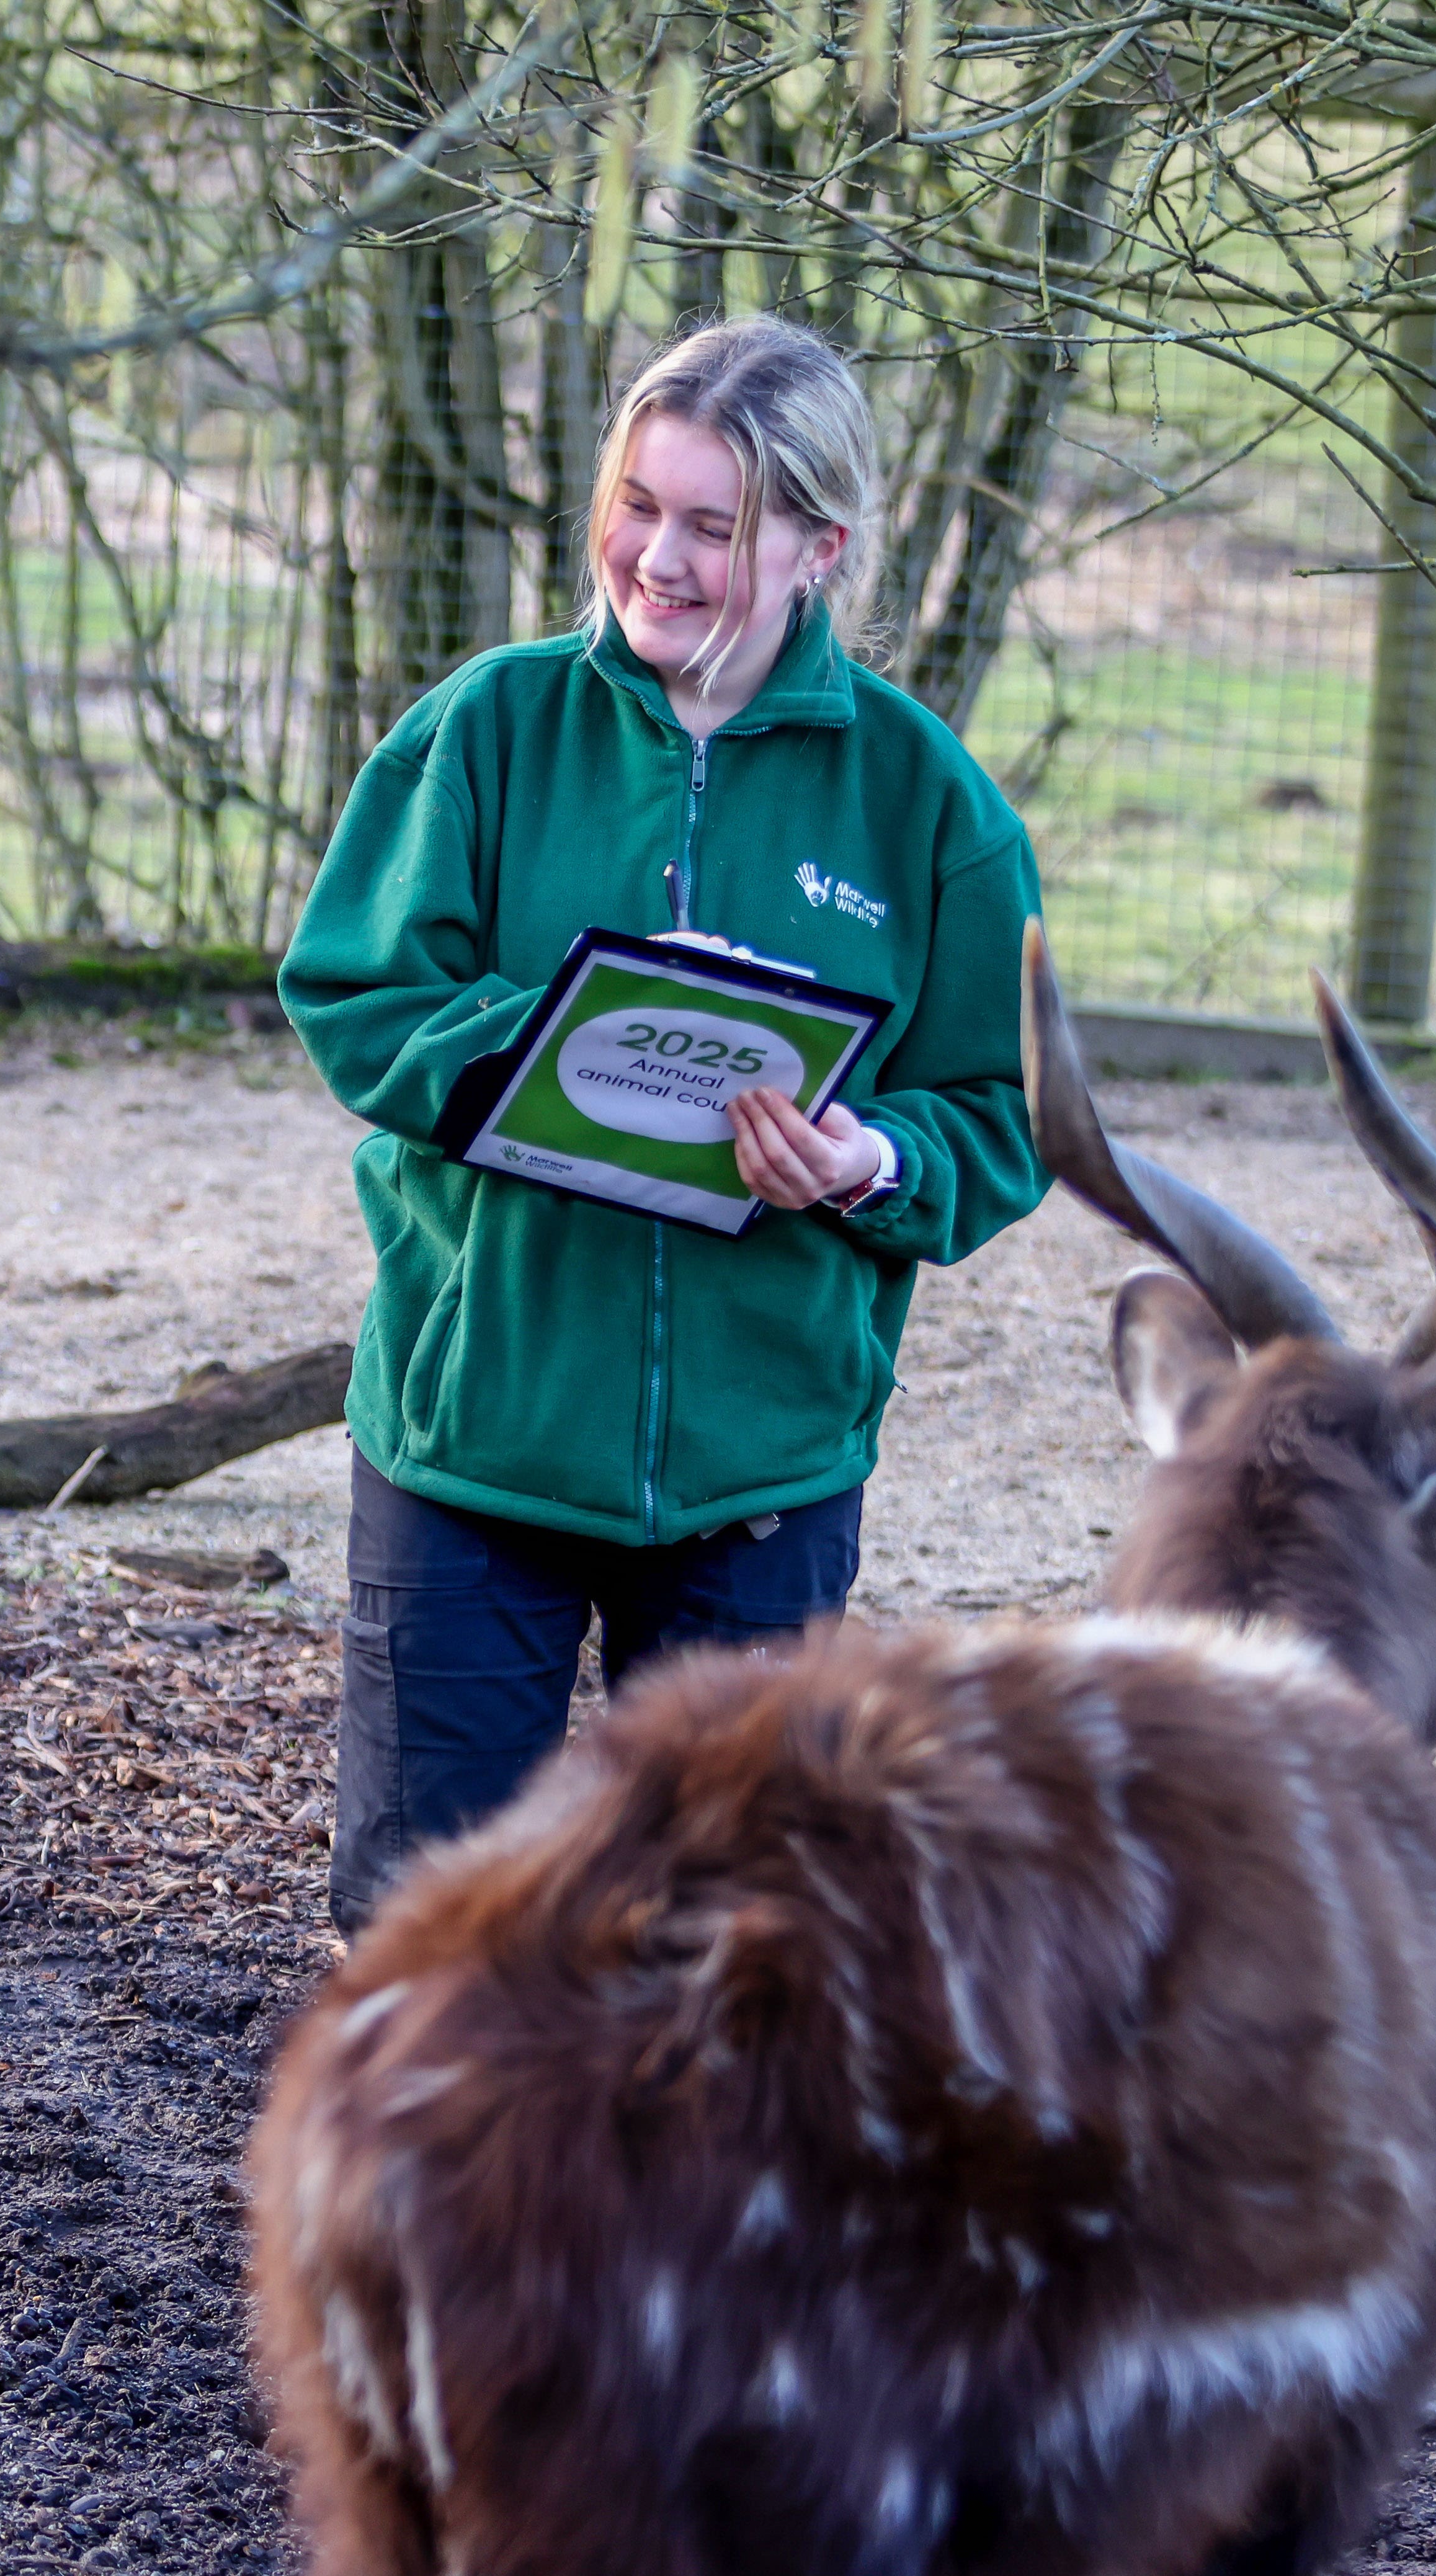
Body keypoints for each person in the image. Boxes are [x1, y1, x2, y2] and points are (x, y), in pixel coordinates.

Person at [282, 314, 1048, 1936]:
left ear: (820, 549)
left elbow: (1003, 1115)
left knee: (721, 1952)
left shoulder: (929, 809)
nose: (661, 558)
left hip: (757, 1482)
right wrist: (549, 1058)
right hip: (474, 1439)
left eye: (717, 524)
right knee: (431, 1948)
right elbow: (354, 989)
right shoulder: (487, 734)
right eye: (640, 504)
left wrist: (873, 1162)